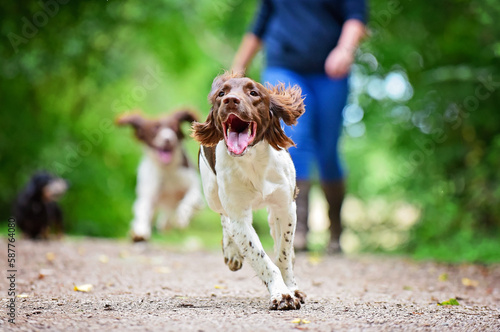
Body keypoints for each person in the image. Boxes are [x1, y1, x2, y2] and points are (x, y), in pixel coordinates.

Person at [232, 0, 367, 253]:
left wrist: (345, 49)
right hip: (284, 66)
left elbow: (356, 15)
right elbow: (260, 24)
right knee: (296, 139)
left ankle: (335, 231)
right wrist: (237, 68)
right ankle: (297, 229)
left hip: (330, 71)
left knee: (328, 151)